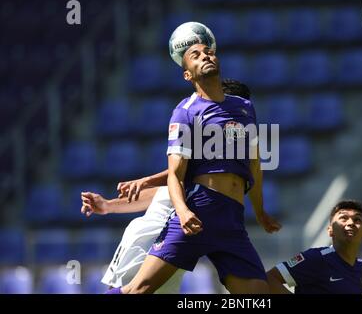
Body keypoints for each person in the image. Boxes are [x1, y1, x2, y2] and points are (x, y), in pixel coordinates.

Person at [107, 33, 281, 294]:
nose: (205, 56)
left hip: (233, 220)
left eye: (208, 52)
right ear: (188, 75)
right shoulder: (186, 111)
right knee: (139, 290)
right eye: (195, 55)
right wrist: (184, 211)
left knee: (260, 295)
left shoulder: (245, 107)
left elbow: (254, 164)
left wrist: (260, 211)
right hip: (199, 209)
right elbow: (176, 176)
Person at [81, 80, 266, 293]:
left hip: (179, 241)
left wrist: (109, 205)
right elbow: (167, 188)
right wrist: (110, 205)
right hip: (151, 236)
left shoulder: (229, 158)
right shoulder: (202, 143)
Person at [266, 200, 362, 294]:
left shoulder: (361, 268)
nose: (351, 223)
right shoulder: (315, 258)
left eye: (357, 219)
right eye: (343, 218)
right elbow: (270, 278)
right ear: (330, 230)